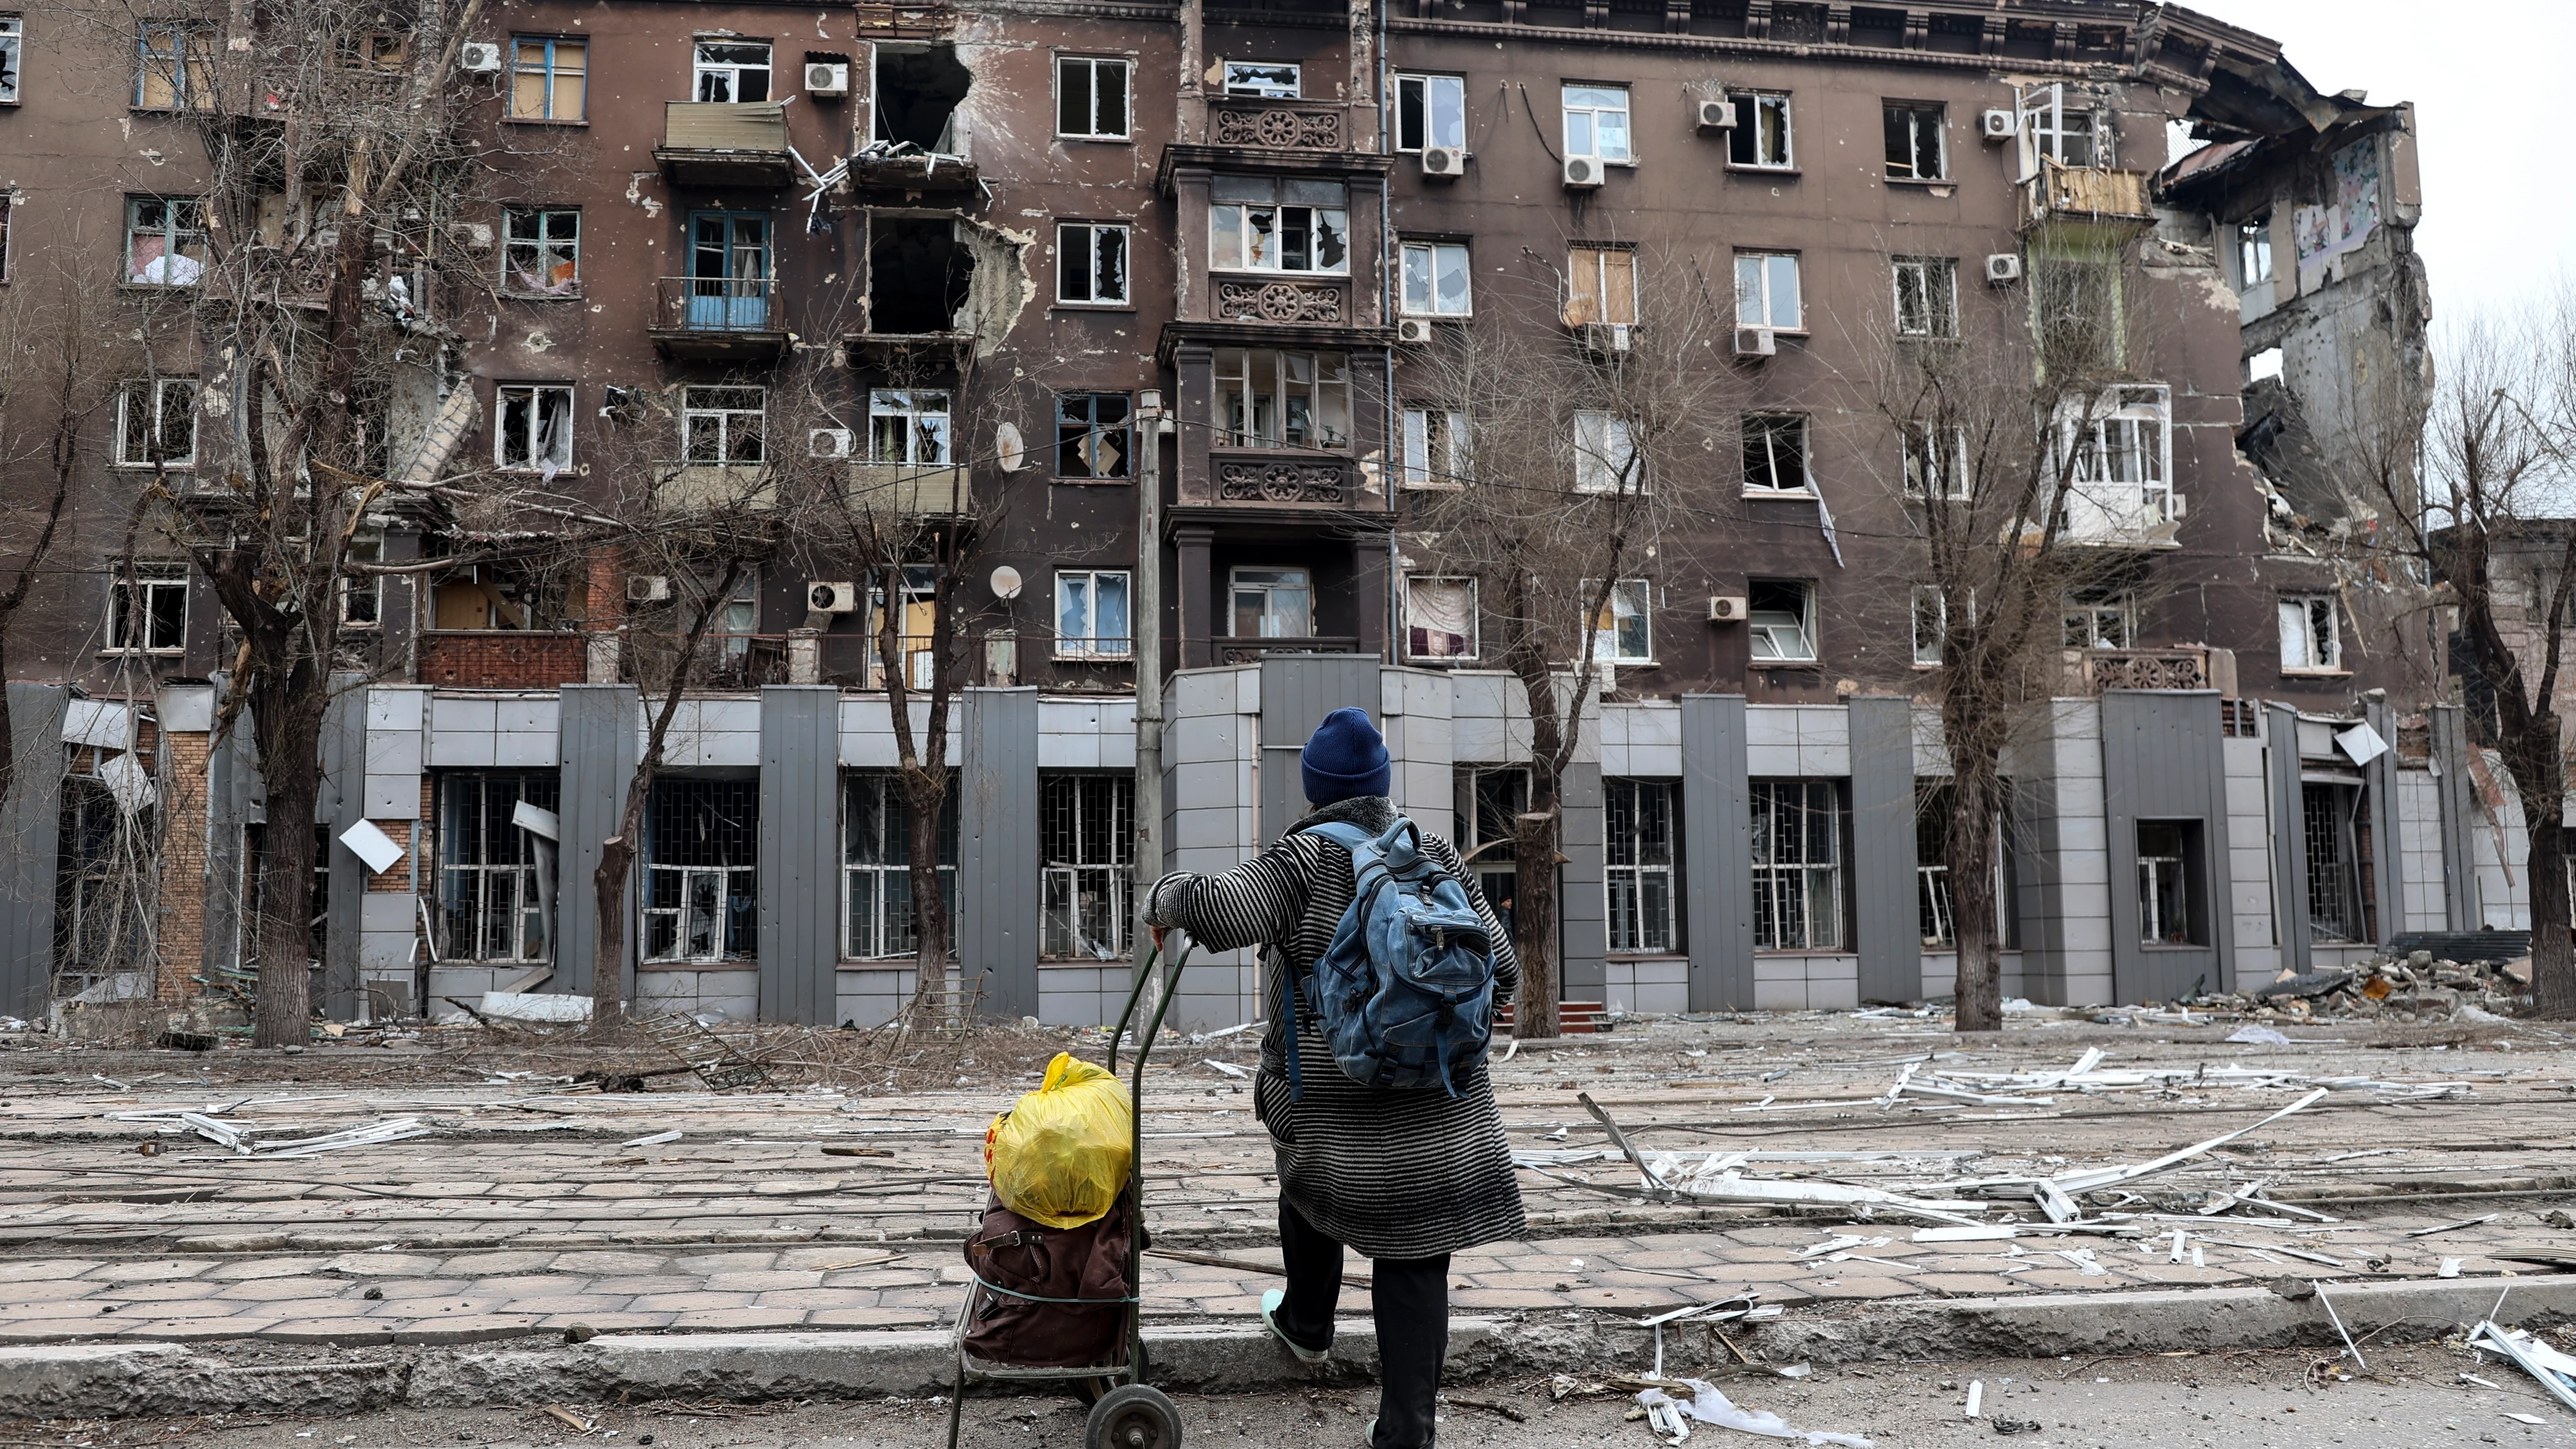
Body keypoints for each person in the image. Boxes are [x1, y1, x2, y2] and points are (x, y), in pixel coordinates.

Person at [1144, 706, 1522, 1449]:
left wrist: (1163, 900)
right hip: (1445, 1107)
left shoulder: (1305, 858)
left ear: (1314, 789)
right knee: (1414, 1258)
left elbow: (1219, 909)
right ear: (1382, 787)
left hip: (1336, 1111)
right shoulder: (1432, 853)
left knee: (1305, 1185)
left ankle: (1308, 1324)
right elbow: (1503, 972)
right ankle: (1408, 1429)